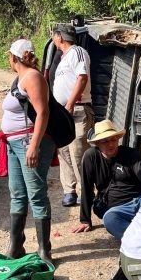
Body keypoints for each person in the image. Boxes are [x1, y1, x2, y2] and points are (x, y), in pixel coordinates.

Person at [0, 39, 57, 266]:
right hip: (13, 143)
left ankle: (44, 250)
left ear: (13, 57)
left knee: (36, 193)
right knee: (17, 193)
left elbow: (43, 112)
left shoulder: (32, 77)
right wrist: (2, 141)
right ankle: (16, 245)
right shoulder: (19, 78)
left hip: (27, 141)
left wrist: (33, 146)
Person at [69, 119, 141, 239]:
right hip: (116, 209)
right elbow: (86, 188)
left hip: (139, 200)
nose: (110, 144)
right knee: (110, 220)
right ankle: (140, 239)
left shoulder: (131, 154)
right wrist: (85, 220)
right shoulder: (91, 157)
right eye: (105, 141)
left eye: (113, 139)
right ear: (97, 144)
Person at [50, 23, 94, 207]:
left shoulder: (77, 52)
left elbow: (82, 78)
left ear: (59, 37)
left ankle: (87, 194)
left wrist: (69, 103)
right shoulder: (62, 58)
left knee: (78, 152)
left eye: (54, 36)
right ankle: (70, 191)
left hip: (76, 109)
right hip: (64, 111)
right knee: (64, 152)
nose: (53, 39)